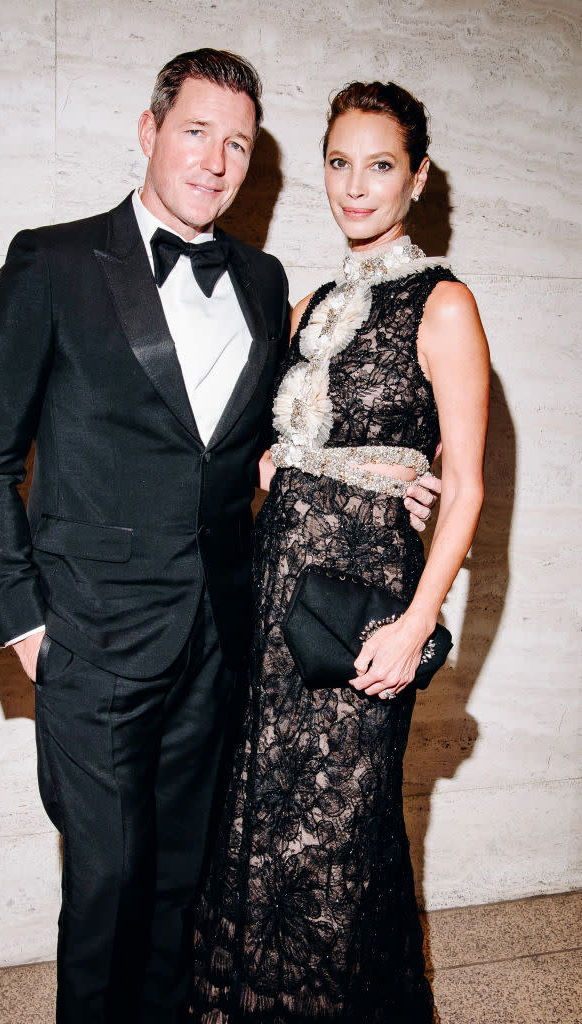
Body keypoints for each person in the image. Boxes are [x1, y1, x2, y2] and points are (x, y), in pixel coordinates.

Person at [0, 51, 439, 1024]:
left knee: (184, 893)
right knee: (105, 895)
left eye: (239, 144)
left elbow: (272, 438)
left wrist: (383, 471)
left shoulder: (264, 282)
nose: (216, 160)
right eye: (196, 132)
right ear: (149, 130)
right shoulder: (50, 262)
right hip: (89, 644)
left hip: (219, 643)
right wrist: (26, 628)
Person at [190, 81, 489, 1023]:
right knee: (257, 833)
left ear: (418, 177)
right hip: (273, 594)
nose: (355, 187)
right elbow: (269, 437)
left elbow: (468, 484)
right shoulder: (310, 302)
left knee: (337, 848)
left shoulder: (444, 305)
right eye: (338, 163)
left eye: (381, 165)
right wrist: (278, 460)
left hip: (361, 610)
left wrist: (415, 625)